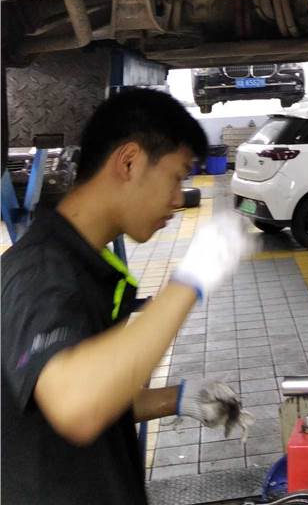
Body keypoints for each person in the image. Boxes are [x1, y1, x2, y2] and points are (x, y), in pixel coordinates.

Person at [1, 87, 251, 504]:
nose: (179, 199)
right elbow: (76, 403)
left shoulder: (83, 265)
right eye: (177, 176)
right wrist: (191, 279)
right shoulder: (41, 272)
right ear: (129, 161)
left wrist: (176, 399)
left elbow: (86, 392)